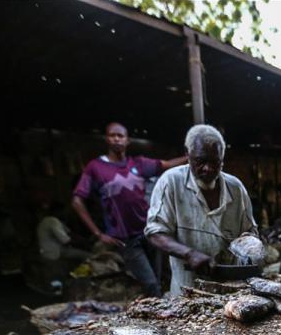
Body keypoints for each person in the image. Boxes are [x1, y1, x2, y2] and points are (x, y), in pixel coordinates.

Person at [72, 122, 186, 297]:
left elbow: (166, 164)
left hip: (150, 232)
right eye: (112, 135)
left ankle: (156, 316)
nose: (117, 139)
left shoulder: (138, 163)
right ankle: (157, 319)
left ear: (127, 141)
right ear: (106, 139)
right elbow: (77, 200)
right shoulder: (95, 167)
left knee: (158, 279)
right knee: (150, 283)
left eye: (120, 136)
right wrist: (98, 234)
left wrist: (190, 156)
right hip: (125, 239)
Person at [144, 125, 258, 296]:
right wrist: (189, 254)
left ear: (222, 159)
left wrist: (249, 249)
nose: (208, 168)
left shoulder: (236, 188)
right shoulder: (171, 182)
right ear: (188, 155)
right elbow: (155, 232)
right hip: (187, 291)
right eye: (200, 161)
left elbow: (250, 232)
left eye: (215, 162)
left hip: (232, 292)